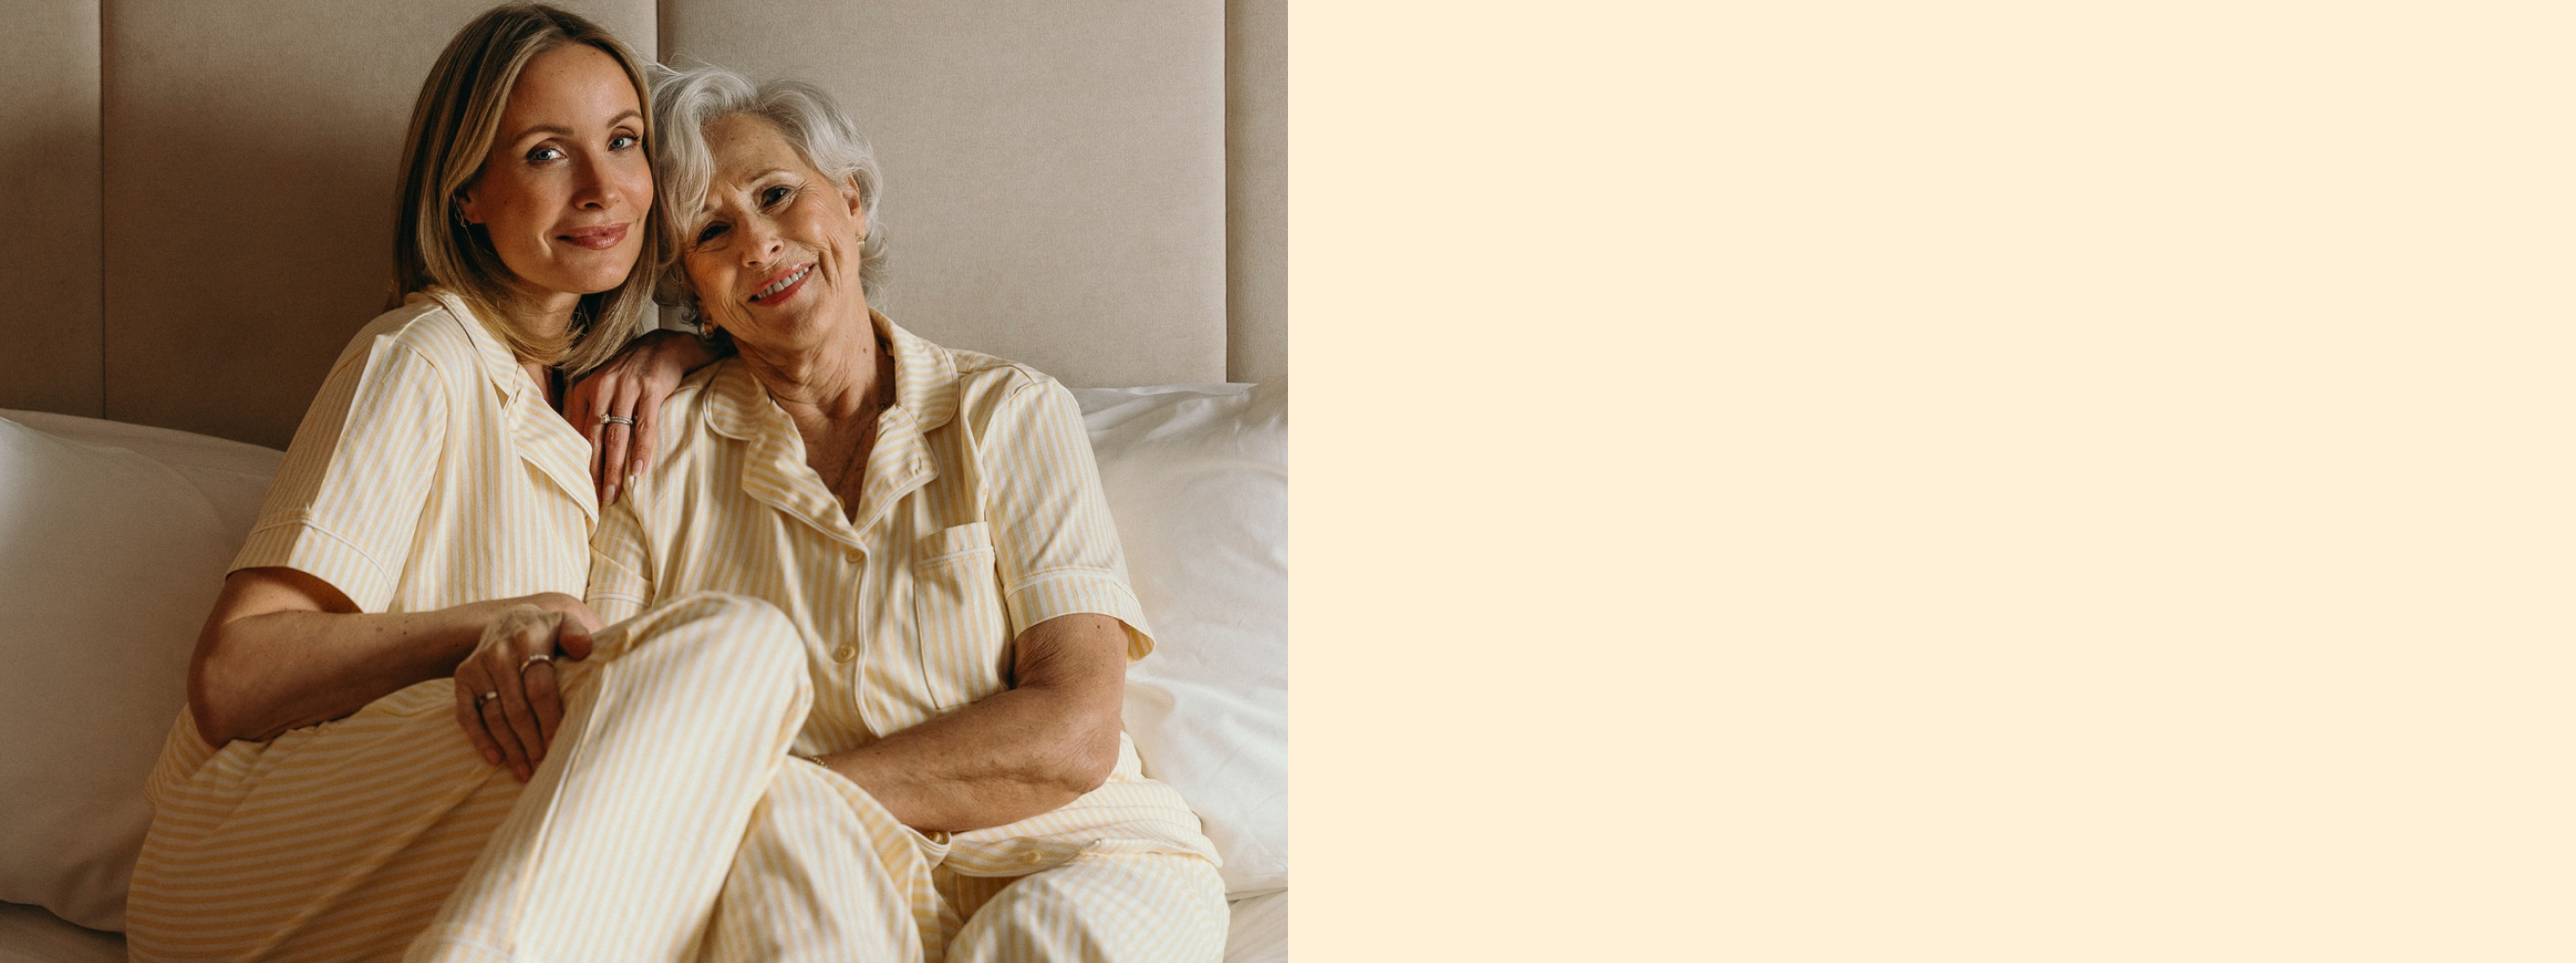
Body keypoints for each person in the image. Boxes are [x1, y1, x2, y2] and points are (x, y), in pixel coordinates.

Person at [475, 63, 1229, 959]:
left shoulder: (1010, 410)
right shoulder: (651, 450)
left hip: (1084, 849)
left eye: (778, 194)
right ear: (690, 288)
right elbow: (622, 711)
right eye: (713, 231)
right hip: (817, 862)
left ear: (853, 203)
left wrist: (790, 790)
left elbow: (1074, 731)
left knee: (1043, 939)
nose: (759, 243)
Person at [122, 6, 724, 959]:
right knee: (722, 657)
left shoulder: (602, 401)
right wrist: (497, 621)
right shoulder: (423, 357)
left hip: (438, 874)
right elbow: (234, 678)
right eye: (543, 154)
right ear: (466, 194)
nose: (604, 188)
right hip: (244, 864)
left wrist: (683, 345)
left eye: (623, 141)